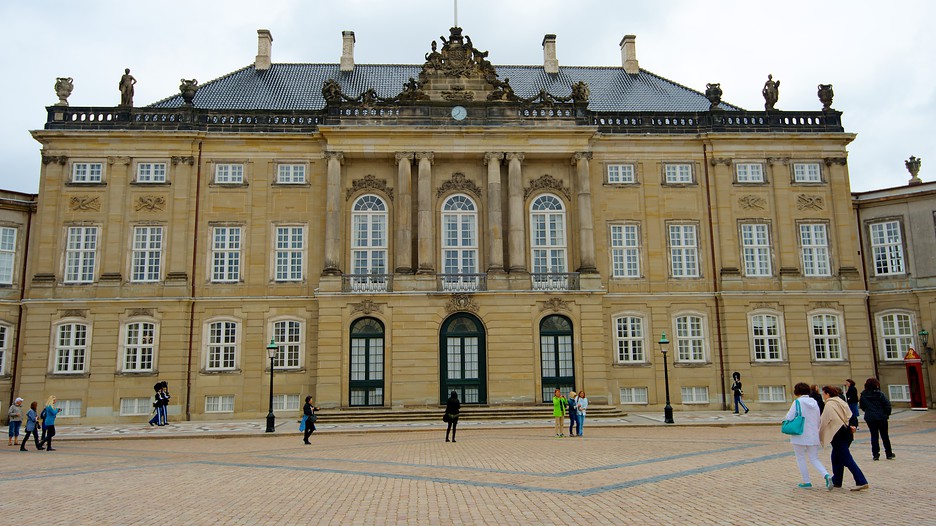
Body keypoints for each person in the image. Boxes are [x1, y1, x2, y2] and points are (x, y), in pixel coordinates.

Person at [820, 385, 868, 491]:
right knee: (836, 457)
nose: (823, 396)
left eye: (823, 393)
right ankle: (837, 480)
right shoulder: (840, 401)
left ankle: (861, 481)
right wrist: (852, 425)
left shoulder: (829, 404)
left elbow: (826, 420)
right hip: (847, 432)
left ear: (828, 394)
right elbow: (850, 415)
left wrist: (820, 431)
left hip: (838, 433)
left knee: (846, 458)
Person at [785, 382, 831, 489]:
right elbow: (818, 419)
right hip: (813, 433)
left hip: (799, 434)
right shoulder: (814, 402)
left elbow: (789, 417)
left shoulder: (797, 402)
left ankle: (807, 481)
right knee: (814, 458)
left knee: (800, 458)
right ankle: (826, 474)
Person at [859, 377, 894, 460]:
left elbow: (862, 406)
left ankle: (875, 454)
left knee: (874, 435)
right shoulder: (880, 394)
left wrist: (868, 411)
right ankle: (888, 453)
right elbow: (887, 405)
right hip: (881, 416)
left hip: (870, 417)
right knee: (884, 435)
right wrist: (886, 414)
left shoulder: (863, 395)